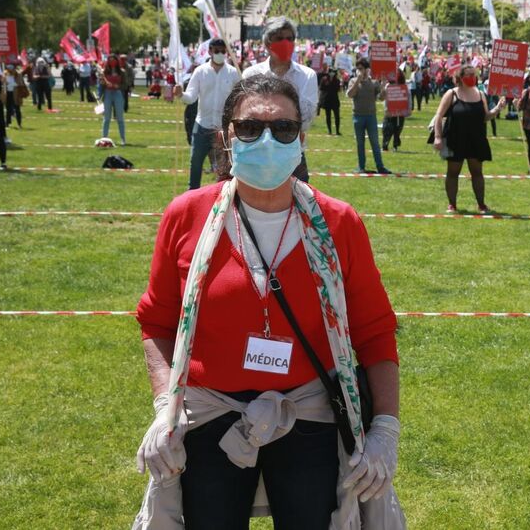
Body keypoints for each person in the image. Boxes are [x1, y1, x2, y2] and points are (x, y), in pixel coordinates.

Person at [134, 74, 404, 529]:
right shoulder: (187, 215)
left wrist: (385, 431)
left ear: (300, 138)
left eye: (282, 129)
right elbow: (157, 323)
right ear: (225, 138)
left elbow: (375, 332)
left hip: (309, 415)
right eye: (249, 129)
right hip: (210, 417)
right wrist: (165, 409)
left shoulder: (338, 223)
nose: (266, 139)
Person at [243, 16, 319, 182]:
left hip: (292, 153)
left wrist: (266, 116)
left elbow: (306, 118)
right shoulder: (251, 75)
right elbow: (247, 118)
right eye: (279, 38)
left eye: (290, 39)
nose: (286, 43)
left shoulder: (307, 76)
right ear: (268, 42)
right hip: (257, 152)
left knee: (298, 204)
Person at [432, 64, 506, 213]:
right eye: (469, 75)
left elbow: (485, 117)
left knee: (477, 173)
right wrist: (438, 137)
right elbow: (439, 116)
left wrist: (497, 109)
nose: (472, 78)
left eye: (474, 75)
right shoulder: (451, 94)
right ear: (460, 78)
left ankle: (481, 205)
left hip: (476, 139)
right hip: (455, 138)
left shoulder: (480, 94)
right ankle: (452, 204)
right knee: (453, 173)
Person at [176, 38, 240, 190]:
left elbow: (239, 98)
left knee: (225, 166)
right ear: (210, 51)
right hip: (202, 125)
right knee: (195, 163)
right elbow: (190, 97)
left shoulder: (233, 73)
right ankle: (192, 194)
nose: (219, 54)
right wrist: (180, 95)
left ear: (227, 53)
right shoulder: (200, 71)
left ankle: (223, 195)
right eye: (216, 51)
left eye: (223, 51)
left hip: (223, 128)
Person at [346, 58, 391, 174]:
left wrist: (383, 88)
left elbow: (381, 98)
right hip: (358, 116)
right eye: (358, 69)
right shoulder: (353, 81)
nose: (359, 71)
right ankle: (361, 167)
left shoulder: (373, 82)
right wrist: (358, 81)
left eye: (361, 69)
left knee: (375, 143)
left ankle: (380, 167)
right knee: (360, 144)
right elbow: (350, 94)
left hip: (371, 116)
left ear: (367, 70)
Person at [97, 56, 127, 145]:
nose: (112, 62)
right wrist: (102, 84)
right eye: (110, 61)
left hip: (118, 94)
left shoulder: (121, 72)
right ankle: (104, 138)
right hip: (107, 94)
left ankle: (123, 139)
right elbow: (101, 84)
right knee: (106, 118)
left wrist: (118, 86)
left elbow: (125, 84)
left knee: (120, 118)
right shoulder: (104, 71)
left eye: (114, 61)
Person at [3, 60, 27, 129]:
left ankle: (19, 124)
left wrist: (13, 84)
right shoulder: (5, 73)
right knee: (8, 109)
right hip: (8, 93)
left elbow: (21, 83)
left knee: (17, 109)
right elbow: (2, 83)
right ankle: (7, 123)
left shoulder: (18, 74)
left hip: (16, 94)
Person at [318, 67, 342, 135]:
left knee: (337, 116)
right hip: (327, 100)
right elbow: (321, 89)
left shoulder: (337, 80)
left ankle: (337, 131)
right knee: (328, 116)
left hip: (335, 100)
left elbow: (338, 89)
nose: (332, 74)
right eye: (331, 72)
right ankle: (330, 131)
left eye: (333, 72)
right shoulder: (324, 79)